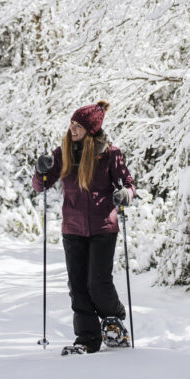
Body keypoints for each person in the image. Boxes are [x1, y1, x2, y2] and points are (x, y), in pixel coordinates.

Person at [32, 100, 136, 355]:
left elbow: (129, 184)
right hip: (73, 228)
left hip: (103, 227)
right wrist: (40, 170)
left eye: (78, 125)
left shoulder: (110, 153)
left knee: (98, 283)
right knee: (77, 286)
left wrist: (125, 194)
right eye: (71, 124)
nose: (72, 129)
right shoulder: (62, 153)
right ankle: (87, 338)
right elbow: (40, 185)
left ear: (91, 130)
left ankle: (113, 317)